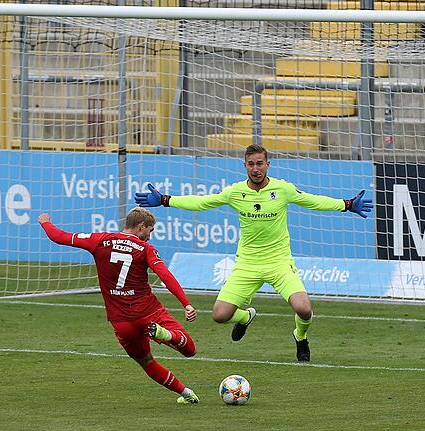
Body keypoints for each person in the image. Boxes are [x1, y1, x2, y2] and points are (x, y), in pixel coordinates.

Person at [134, 143, 372, 362]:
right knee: (220, 315)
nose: (256, 168)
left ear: (268, 164)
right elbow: (203, 202)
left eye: (260, 163)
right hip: (247, 264)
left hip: (279, 262)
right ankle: (245, 317)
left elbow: (313, 201)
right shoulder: (236, 192)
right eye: (251, 164)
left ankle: (300, 337)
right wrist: (166, 200)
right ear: (245, 166)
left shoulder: (283, 189)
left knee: (304, 309)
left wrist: (347, 205)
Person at [38, 207, 200, 404]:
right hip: (148, 312)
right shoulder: (145, 249)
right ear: (141, 226)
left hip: (121, 322)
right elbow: (164, 275)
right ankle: (165, 335)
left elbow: (59, 236)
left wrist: (45, 221)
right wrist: (186, 304)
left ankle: (186, 394)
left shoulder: (100, 240)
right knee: (190, 350)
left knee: (147, 362)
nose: (149, 237)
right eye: (150, 230)